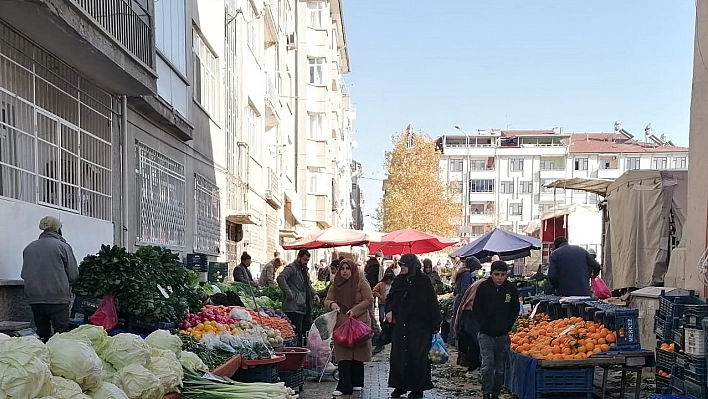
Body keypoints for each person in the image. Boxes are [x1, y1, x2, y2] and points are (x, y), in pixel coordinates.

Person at [386, 254, 442, 399]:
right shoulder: (399, 280)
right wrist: (390, 310)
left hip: (420, 326)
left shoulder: (423, 281)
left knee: (418, 357)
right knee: (399, 356)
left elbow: (431, 303)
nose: (402, 267)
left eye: (404, 265)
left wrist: (436, 324)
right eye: (401, 265)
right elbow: (391, 298)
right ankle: (400, 386)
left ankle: (417, 388)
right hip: (401, 325)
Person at [21, 216, 79, 342]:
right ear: (58, 229)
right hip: (57, 298)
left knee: (41, 334)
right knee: (61, 336)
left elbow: (24, 274)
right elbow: (73, 274)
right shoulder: (62, 246)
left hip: (35, 299)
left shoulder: (29, 248)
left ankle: (42, 358)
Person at [324, 259, 374, 396]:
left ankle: (357, 382)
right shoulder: (336, 283)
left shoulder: (361, 281)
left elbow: (369, 300)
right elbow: (328, 299)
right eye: (342, 268)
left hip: (359, 322)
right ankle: (344, 386)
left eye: (347, 268)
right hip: (342, 322)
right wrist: (332, 304)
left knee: (358, 352)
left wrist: (356, 310)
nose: (345, 271)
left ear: (352, 269)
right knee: (344, 354)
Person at [473, 261, 520, 399]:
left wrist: (507, 325)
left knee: (500, 368)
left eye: (502, 275)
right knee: (487, 365)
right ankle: (486, 392)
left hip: (503, 335)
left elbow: (514, 309)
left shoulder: (510, 289)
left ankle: (495, 393)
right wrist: (484, 324)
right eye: (496, 274)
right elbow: (476, 308)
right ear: (491, 274)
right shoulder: (483, 287)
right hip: (485, 335)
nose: (499, 278)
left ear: (507, 275)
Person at [277, 249, 320, 346]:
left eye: (307, 260)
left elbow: (307, 285)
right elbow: (281, 278)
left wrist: (314, 294)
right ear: (299, 257)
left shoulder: (304, 270)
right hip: (293, 307)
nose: (306, 262)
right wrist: (288, 292)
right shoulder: (292, 268)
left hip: (303, 306)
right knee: (296, 334)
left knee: (302, 333)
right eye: (304, 260)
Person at [450, 257, 481, 344]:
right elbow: (465, 290)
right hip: (462, 301)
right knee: (461, 323)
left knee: (457, 321)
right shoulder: (467, 274)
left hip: (459, 300)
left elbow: (456, 290)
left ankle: (454, 340)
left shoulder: (462, 273)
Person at [371, 272, 395, 354]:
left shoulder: (394, 285)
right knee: (381, 317)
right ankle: (383, 329)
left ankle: (384, 333)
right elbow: (374, 290)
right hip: (382, 303)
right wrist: (379, 295)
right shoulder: (381, 284)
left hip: (390, 305)